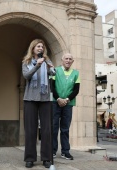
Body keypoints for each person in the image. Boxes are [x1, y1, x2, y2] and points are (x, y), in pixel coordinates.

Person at [22, 39, 55, 168]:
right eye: (38, 46)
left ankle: (46, 158)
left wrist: (52, 69)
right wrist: (37, 65)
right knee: (30, 130)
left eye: (42, 46)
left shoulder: (47, 61)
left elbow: (52, 74)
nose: (40, 48)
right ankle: (30, 158)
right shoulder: (27, 62)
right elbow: (26, 76)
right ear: (33, 48)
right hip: (30, 99)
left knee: (46, 130)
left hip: (45, 98)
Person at [52, 53, 80, 160]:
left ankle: (65, 152)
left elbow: (76, 90)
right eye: (66, 59)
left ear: (72, 61)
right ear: (62, 60)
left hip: (68, 104)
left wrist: (67, 99)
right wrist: (58, 98)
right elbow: (51, 86)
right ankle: (52, 151)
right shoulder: (55, 70)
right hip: (55, 102)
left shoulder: (76, 73)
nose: (68, 60)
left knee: (65, 128)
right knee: (54, 127)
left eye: (70, 59)